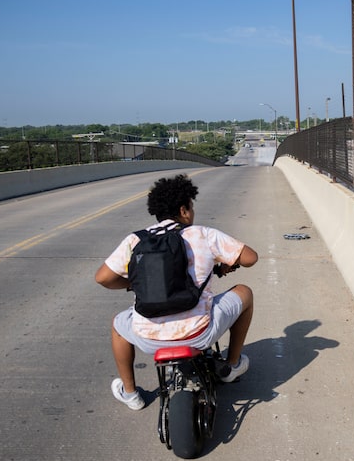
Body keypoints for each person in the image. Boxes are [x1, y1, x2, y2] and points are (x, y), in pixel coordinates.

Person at [95, 174, 258, 410]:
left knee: (118, 324)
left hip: (148, 339)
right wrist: (223, 264)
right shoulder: (203, 234)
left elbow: (103, 278)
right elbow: (251, 258)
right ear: (183, 210)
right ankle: (231, 366)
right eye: (191, 207)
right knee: (245, 293)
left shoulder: (136, 239)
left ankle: (130, 393)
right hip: (199, 333)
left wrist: (133, 283)